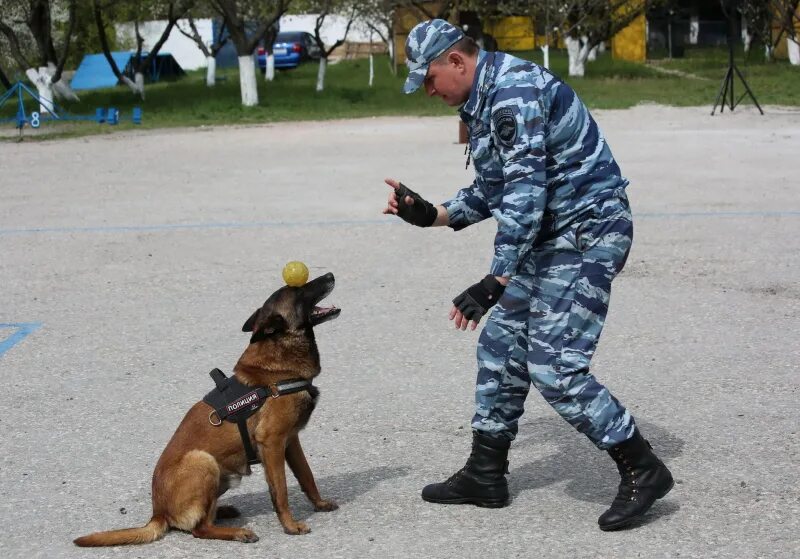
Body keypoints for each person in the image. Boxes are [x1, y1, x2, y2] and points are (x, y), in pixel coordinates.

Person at [381, 19, 673, 531]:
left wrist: (495, 280)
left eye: (428, 78)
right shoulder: (486, 97)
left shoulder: (513, 93)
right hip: (551, 235)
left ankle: (643, 468)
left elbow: (524, 197)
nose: (427, 90)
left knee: (555, 365)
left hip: (587, 231)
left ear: (456, 61)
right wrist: (431, 213)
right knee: (500, 345)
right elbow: (492, 188)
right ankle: (485, 474)